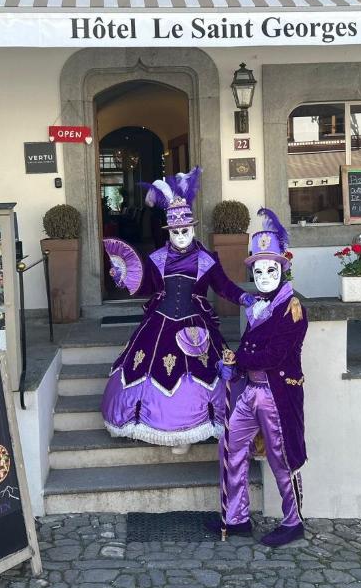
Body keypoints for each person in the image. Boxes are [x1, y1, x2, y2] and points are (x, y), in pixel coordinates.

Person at [102, 167, 253, 449]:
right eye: (176, 231)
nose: (182, 235)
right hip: (159, 321)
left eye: (186, 230)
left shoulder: (207, 258)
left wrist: (246, 299)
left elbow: (224, 287)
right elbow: (146, 286)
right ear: (169, 231)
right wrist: (122, 277)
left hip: (196, 325)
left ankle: (195, 425)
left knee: (203, 372)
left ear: (193, 228)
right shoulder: (157, 258)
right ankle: (157, 424)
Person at [207, 208, 308, 547]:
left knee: (281, 458)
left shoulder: (292, 309)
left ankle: (293, 521)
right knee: (232, 446)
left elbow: (273, 354)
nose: (264, 276)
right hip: (251, 392)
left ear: (284, 268)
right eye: (259, 270)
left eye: (271, 269)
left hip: (277, 394)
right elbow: (249, 348)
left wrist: (239, 358)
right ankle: (237, 518)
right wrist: (233, 368)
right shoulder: (257, 306)